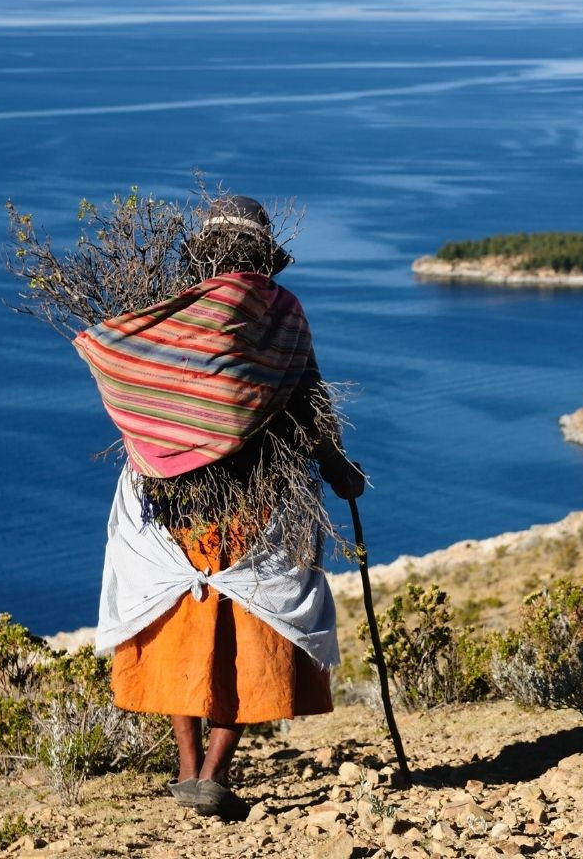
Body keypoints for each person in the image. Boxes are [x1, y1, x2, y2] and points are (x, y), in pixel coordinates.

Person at [77, 196, 365, 819]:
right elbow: (309, 398)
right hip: (257, 503)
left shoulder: (166, 316)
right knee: (251, 628)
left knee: (179, 627)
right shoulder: (283, 310)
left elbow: (117, 362)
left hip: (170, 506)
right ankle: (211, 771)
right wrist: (339, 469)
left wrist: (170, 435)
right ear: (263, 253)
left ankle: (188, 769)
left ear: (204, 255)